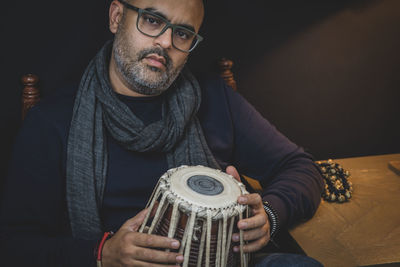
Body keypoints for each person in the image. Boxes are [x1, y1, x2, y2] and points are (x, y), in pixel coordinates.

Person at [0, 0, 324, 266]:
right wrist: (101, 254)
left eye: (183, 33)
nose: (166, 42)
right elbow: (13, 245)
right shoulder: (53, 121)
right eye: (153, 21)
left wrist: (269, 214)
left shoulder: (214, 99)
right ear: (116, 17)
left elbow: (301, 168)